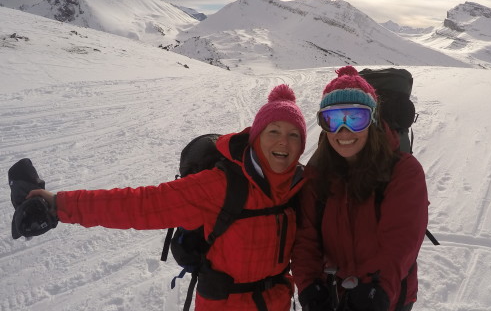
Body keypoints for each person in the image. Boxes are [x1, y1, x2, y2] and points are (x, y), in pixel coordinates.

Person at [23, 84, 308, 311]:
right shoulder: (220, 185)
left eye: (294, 135)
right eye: (274, 131)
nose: (284, 142)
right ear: (256, 137)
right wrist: (58, 205)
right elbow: (141, 205)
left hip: (279, 303)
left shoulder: (299, 184)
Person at [291, 66, 429, 311]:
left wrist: (377, 289)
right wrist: (310, 286)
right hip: (331, 294)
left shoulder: (403, 171)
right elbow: (305, 238)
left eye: (356, 118)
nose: (344, 131)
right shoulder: (317, 174)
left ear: (373, 120)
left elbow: (400, 241)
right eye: (332, 119)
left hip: (386, 296)